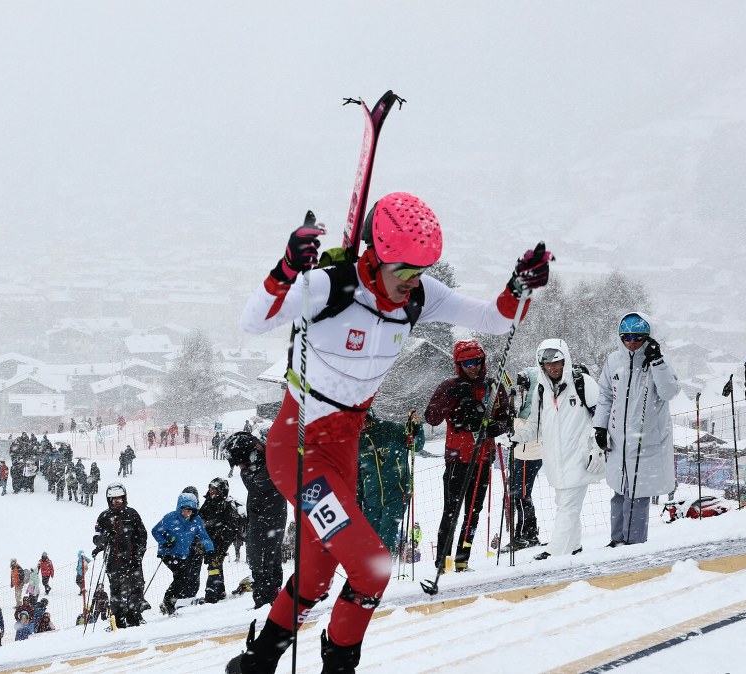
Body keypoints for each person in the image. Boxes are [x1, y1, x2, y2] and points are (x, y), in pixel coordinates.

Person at [229, 193, 547, 673]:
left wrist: (519, 287)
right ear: (374, 257)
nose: (412, 283)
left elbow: (496, 318)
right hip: (298, 448)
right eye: (403, 272)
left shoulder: (419, 295)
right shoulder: (329, 287)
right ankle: (340, 666)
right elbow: (253, 322)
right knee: (373, 564)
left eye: (421, 271)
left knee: (316, 577)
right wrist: (286, 270)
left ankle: (255, 663)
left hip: (343, 451)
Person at [510, 340, 605, 560]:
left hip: (581, 457)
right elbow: (535, 426)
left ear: (565, 360)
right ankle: (574, 545)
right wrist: (515, 438)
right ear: (541, 365)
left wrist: (598, 447)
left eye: (557, 362)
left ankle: (555, 550)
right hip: (555, 460)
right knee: (564, 503)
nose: (553, 368)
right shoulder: (541, 390)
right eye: (547, 364)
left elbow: (602, 417)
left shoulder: (583, 383)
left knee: (568, 505)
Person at [594, 312, 681, 546]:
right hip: (619, 441)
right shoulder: (614, 361)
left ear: (647, 337)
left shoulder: (657, 361)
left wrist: (657, 362)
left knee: (638, 495)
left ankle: (634, 544)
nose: (631, 343)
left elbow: (669, 392)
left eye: (637, 337)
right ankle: (617, 540)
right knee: (619, 493)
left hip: (647, 440)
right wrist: (600, 426)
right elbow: (604, 396)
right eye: (626, 337)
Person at [426, 340, 513, 573]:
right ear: (458, 364)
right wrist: (451, 395)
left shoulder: (493, 386)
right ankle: (442, 562)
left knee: (473, 511)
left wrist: (496, 427)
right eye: (467, 363)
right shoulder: (449, 385)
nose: (472, 367)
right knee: (450, 512)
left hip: (483, 458)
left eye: (476, 362)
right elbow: (431, 417)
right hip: (457, 459)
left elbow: (506, 416)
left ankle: (463, 559)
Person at [224, 430, 286, 609]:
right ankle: (267, 599)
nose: (240, 467)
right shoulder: (265, 465)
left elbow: (255, 484)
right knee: (262, 562)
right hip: (263, 522)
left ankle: (266, 602)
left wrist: (246, 468)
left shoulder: (268, 469)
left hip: (267, 524)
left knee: (264, 563)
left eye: (240, 462)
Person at [356, 410, 419, 552]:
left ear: (369, 417)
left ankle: (383, 570)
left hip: (397, 493)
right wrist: (357, 504)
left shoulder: (390, 429)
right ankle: (370, 572)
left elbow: (417, 444)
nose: (361, 426)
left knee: (386, 536)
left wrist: (416, 427)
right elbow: (358, 478)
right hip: (371, 498)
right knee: (370, 539)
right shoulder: (357, 441)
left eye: (363, 421)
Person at [92, 483, 148, 628]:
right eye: (113, 499)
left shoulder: (132, 514)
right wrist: (103, 540)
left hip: (132, 559)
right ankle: (117, 621)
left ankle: (134, 617)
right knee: (116, 591)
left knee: (136, 588)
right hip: (113, 561)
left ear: (124, 498)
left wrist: (139, 553)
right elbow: (96, 537)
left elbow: (142, 535)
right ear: (109, 500)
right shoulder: (104, 517)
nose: (117, 501)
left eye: (119, 499)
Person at [152, 491, 215, 614]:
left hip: (183, 554)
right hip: (168, 553)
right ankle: (169, 601)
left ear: (193, 511)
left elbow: (204, 537)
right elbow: (155, 531)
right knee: (181, 576)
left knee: (183, 577)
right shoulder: (170, 518)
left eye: (189, 511)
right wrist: (164, 542)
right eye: (184, 510)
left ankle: (171, 601)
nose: (186, 513)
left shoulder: (196, 520)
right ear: (179, 508)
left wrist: (210, 550)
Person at [505, 367, 544, 552]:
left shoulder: (533, 405)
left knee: (520, 495)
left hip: (529, 454)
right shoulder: (526, 403)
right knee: (522, 495)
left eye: (523, 386)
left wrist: (512, 424)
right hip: (523, 453)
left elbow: (525, 431)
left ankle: (522, 536)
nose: (521, 390)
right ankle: (530, 534)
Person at [200, 477, 245, 603]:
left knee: (214, 565)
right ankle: (219, 591)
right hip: (209, 540)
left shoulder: (227, 504)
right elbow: (201, 517)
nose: (211, 491)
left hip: (220, 541)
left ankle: (211, 595)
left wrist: (217, 535)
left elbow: (231, 527)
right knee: (215, 565)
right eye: (210, 488)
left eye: (214, 488)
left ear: (221, 490)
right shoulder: (208, 501)